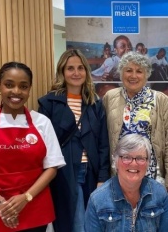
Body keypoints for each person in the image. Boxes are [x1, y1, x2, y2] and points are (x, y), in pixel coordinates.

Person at [0, 62, 66, 232]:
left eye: (23, 86)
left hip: (34, 206)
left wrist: (26, 197)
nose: (16, 91)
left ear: (29, 89)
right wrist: (1, 203)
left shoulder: (42, 122)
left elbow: (52, 167)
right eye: (9, 85)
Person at [38, 49, 110, 232]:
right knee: (75, 224)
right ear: (62, 72)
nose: (76, 73)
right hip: (65, 172)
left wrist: (102, 178)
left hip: (92, 173)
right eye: (70, 68)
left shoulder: (95, 103)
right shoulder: (49, 103)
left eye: (80, 68)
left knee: (93, 223)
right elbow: (43, 145)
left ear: (86, 71)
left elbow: (103, 143)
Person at [103, 51, 168, 189]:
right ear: (121, 73)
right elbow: (102, 139)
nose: (133, 76)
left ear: (147, 74)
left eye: (139, 71)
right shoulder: (109, 97)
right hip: (118, 175)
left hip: (152, 175)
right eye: (128, 70)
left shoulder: (161, 99)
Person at [85, 134, 168, 231]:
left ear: (148, 163)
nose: (134, 164)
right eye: (126, 157)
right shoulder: (97, 200)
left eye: (140, 158)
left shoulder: (160, 194)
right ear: (116, 161)